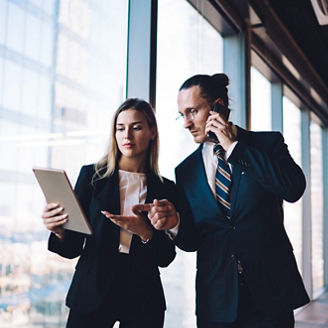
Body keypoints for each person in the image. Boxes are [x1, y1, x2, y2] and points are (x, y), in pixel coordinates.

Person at [140, 73, 310, 327]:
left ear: (217, 106)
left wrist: (234, 147)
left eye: (192, 111)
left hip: (271, 293)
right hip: (217, 301)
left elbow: (293, 188)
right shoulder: (186, 171)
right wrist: (175, 224)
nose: (186, 123)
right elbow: (193, 241)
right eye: (182, 114)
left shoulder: (266, 144)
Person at [41, 98, 177, 328]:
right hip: (92, 288)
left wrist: (146, 232)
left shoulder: (166, 189)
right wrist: (59, 231)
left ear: (152, 131)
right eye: (120, 128)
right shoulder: (91, 177)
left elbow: (166, 257)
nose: (127, 136)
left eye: (136, 127)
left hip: (144, 295)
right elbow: (72, 247)